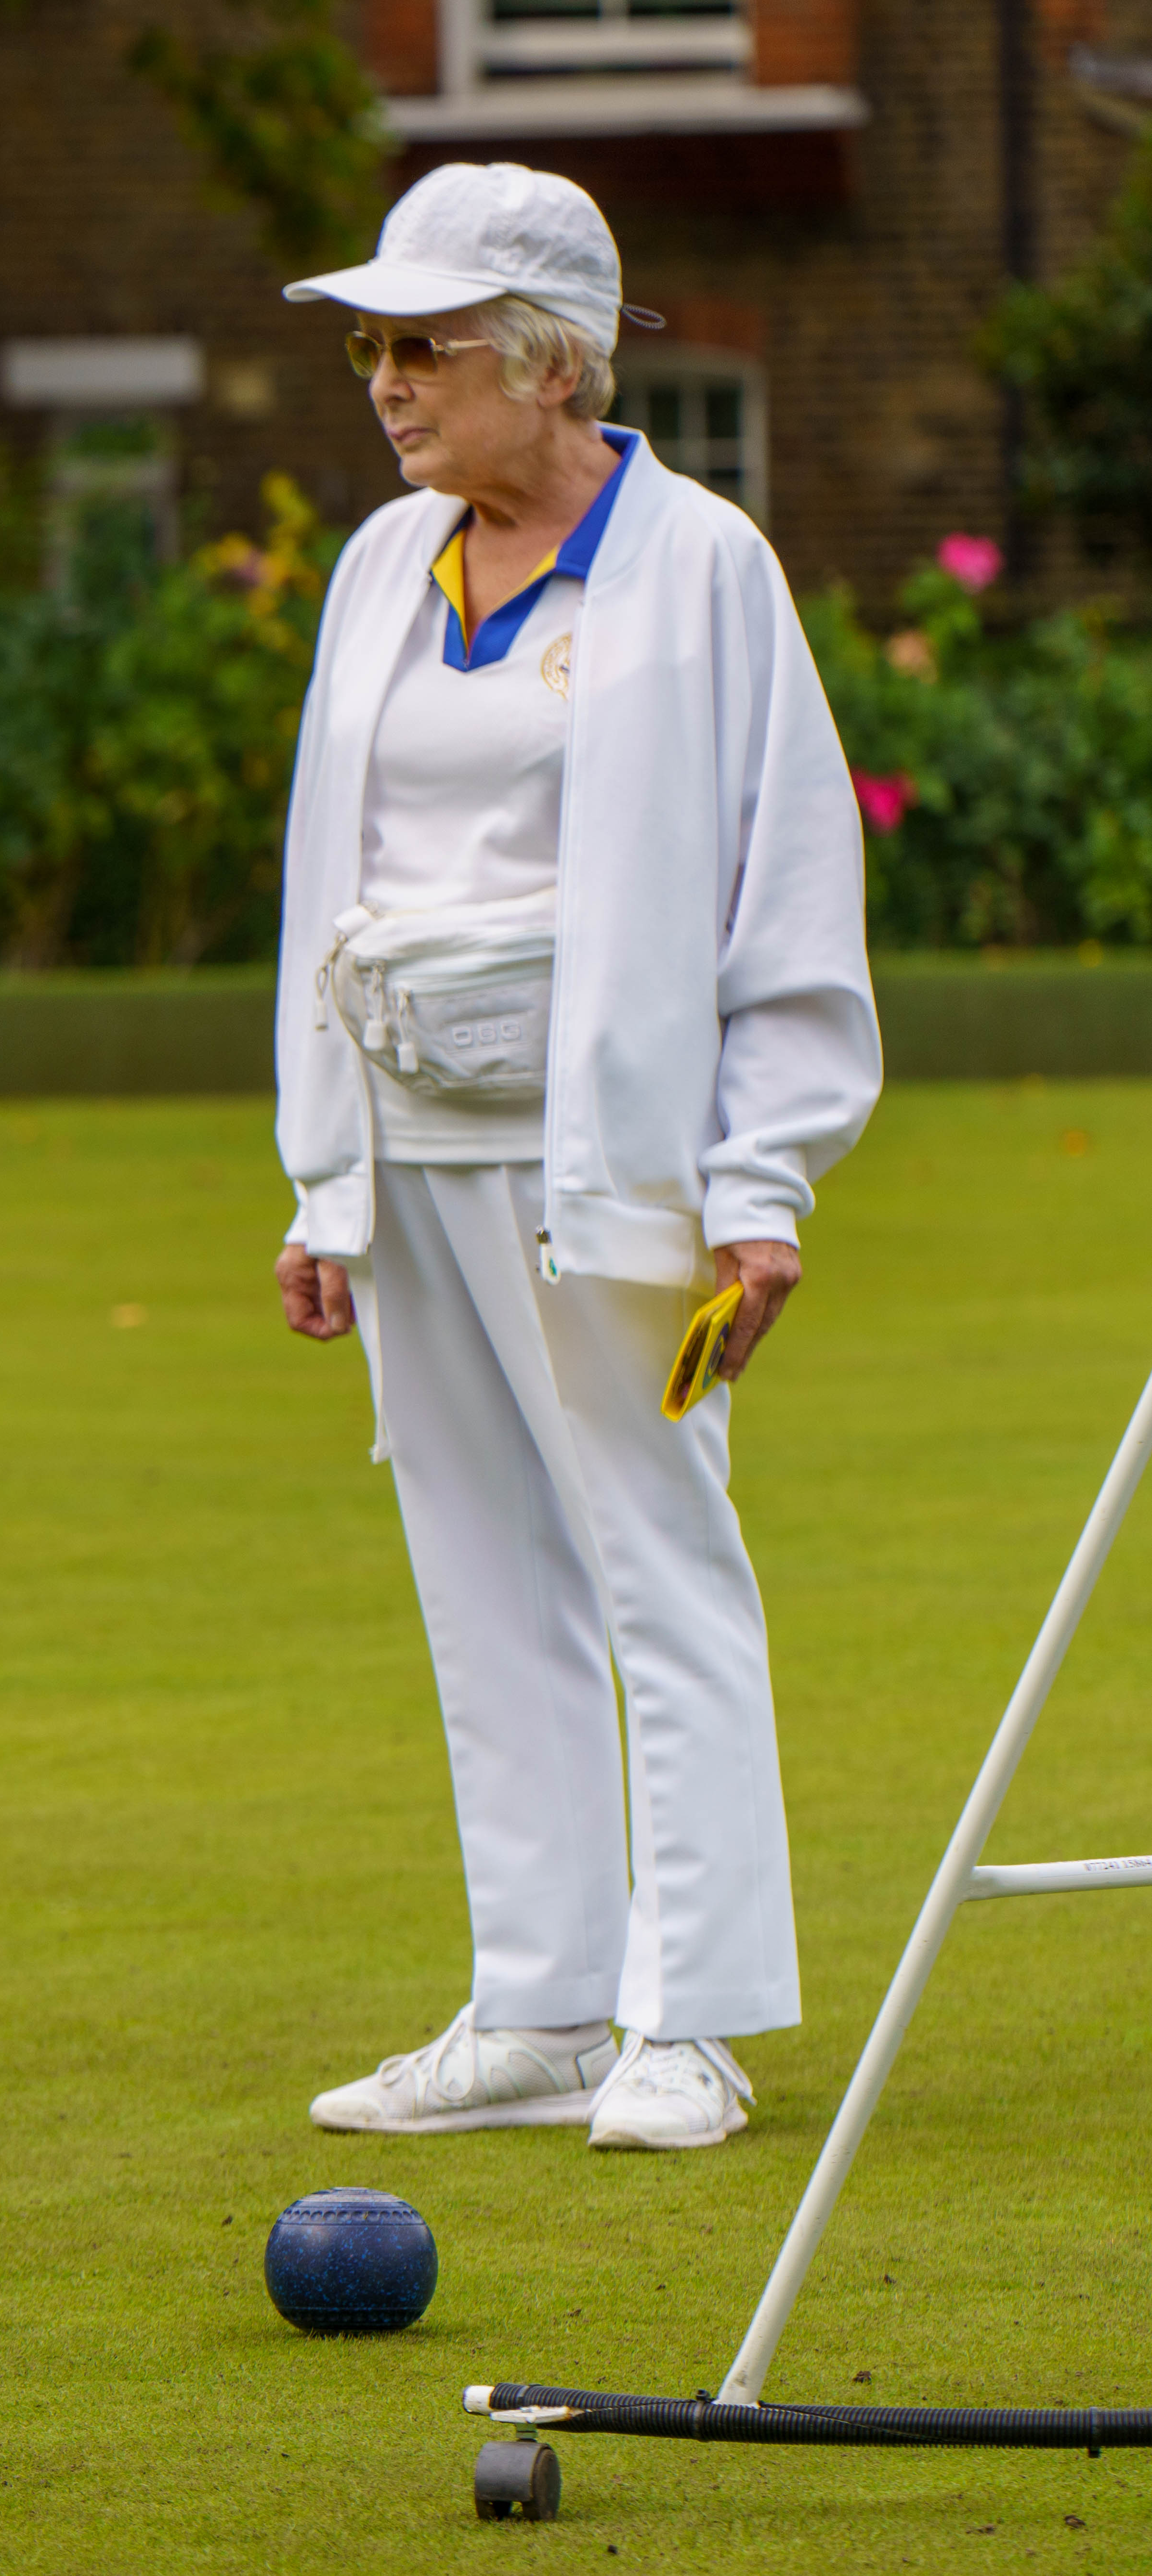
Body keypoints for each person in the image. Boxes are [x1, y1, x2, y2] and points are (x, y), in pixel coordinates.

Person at [266, 165, 879, 2153]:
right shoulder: (385, 567)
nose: (386, 381)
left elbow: (785, 903)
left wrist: (760, 1186)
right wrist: (323, 1184)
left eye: (424, 344)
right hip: (417, 1159)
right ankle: (537, 2004)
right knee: (478, 1566)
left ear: (550, 360)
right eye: (374, 346)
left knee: (656, 1557)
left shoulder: (700, 570)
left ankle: (689, 2016)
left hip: (616, 1171)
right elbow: (325, 887)